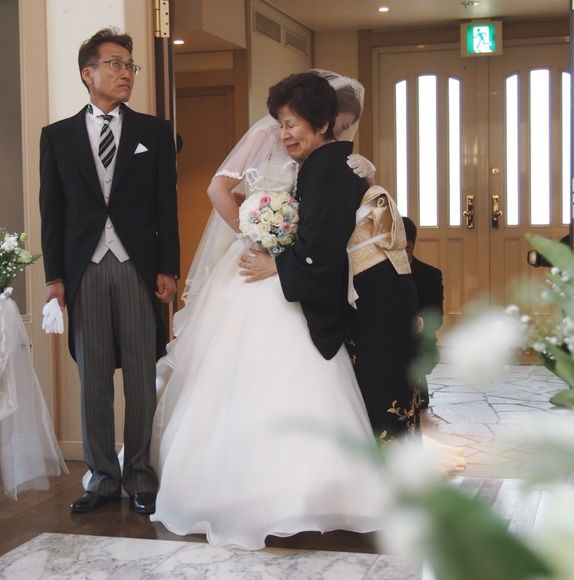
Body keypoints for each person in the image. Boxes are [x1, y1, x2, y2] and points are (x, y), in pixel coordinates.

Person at [149, 72, 386, 549]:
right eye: (281, 124)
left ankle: (304, 493)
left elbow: (322, 243)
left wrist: (278, 260)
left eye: (292, 123)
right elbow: (231, 193)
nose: (284, 133)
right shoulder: (311, 165)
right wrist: (257, 234)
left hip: (287, 279)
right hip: (266, 274)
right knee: (236, 379)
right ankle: (245, 490)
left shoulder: (330, 169)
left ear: (323, 123)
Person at [39, 28, 180, 515]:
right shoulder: (57, 136)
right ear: (88, 73)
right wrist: (55, 278)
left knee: (141, 375)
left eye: (130, 66)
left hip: (137, 267)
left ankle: (139, 474)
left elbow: (166, 208)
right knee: (93, 377)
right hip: (86, 271)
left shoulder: (154, 133)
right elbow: (52, 213)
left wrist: (168, 267)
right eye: (116, 64)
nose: (126, 73)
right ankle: (101, 478)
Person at [403, 217, 444, 410]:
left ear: (413, 245)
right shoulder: (378, 275)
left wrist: (415, 324)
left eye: (407, 248)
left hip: (416, 335)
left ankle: (417, 381)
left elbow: (436, 315)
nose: (402, 254)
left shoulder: (430, 275)